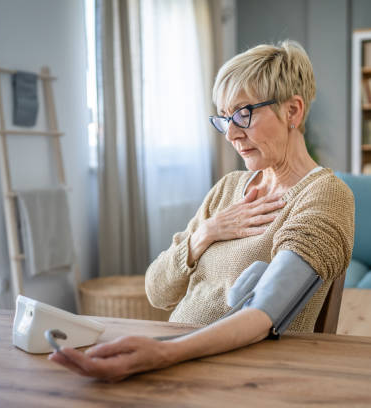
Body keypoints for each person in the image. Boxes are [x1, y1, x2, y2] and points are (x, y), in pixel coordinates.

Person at [49, 40, 354, 382]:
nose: (232, 134)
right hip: (179, 358)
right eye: (225, 119)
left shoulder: (325, 195)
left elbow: (266, 311)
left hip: (243, 376)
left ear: (292, 112)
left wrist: (164, 352)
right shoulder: (227, 189)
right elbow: (157, 291)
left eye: (243, 113)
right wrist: (205, 233)